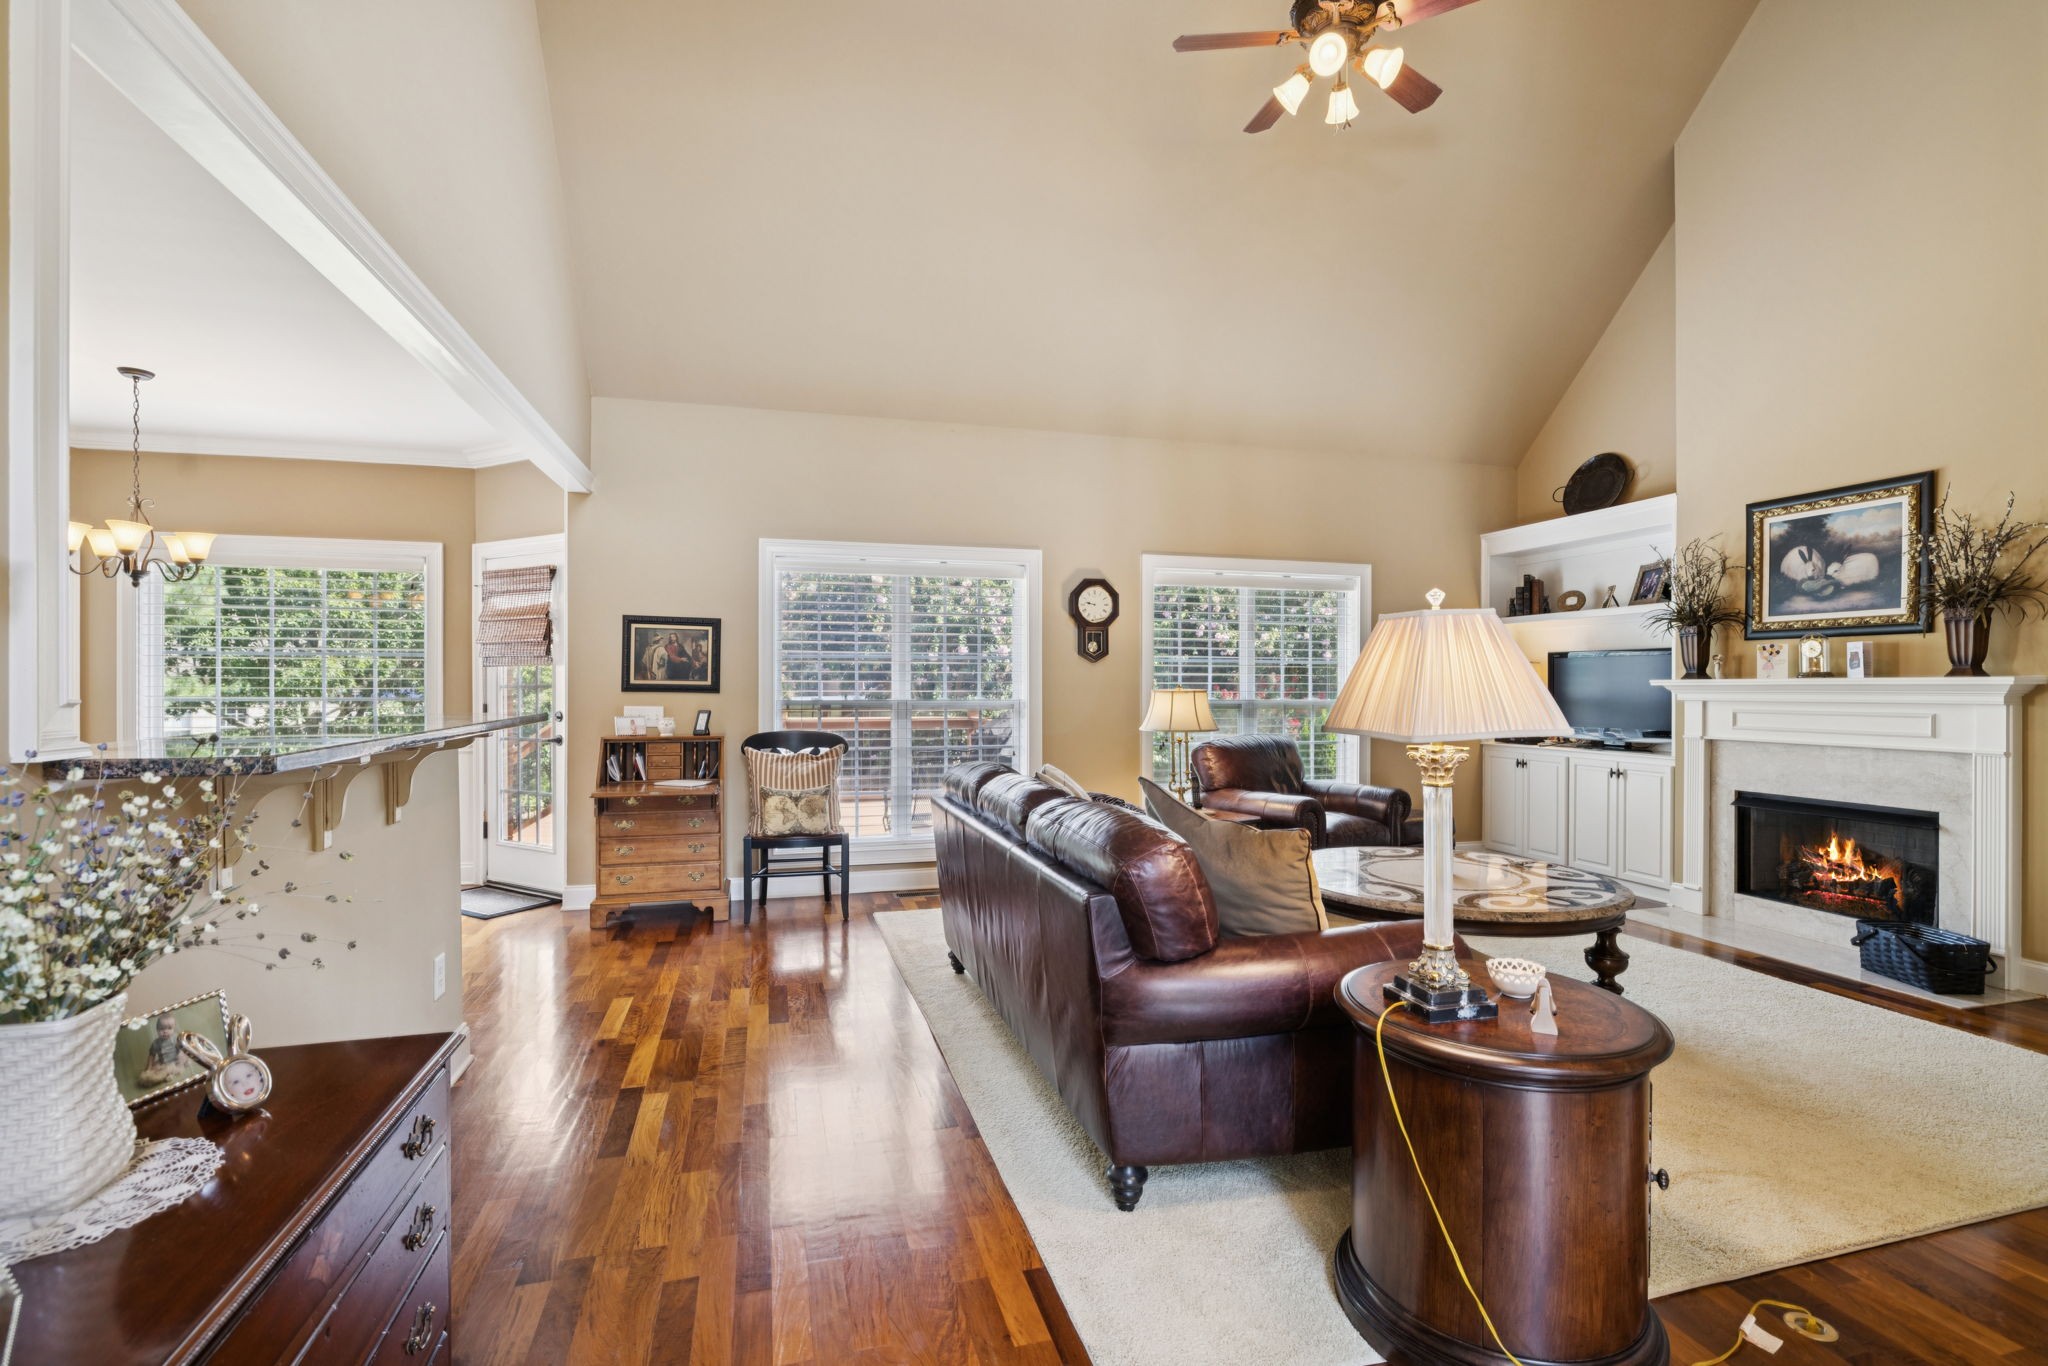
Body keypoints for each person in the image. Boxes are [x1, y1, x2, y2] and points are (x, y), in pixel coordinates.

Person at [136, 1014, 189, 1087]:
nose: (165, 1031)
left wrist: (182, 1059)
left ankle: (167, 1075)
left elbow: (183, 1048)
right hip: (162, 1062)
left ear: (174, 1028)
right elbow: (151, 1056)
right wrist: (148, 1068)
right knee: (154, 1069)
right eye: (161, 1029)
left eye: (169, 1028)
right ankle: (157, 1076)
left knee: (170, 1068)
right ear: (157, 1029)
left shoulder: (175, 1038)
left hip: (174, 1061)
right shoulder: (155, 1043)